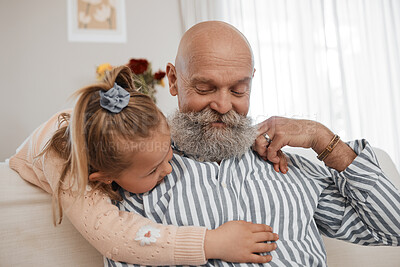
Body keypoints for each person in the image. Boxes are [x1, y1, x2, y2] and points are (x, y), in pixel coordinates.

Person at [106, 21, 400, 267]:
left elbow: (392, 229)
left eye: (238, 90)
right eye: (205, 88)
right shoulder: (139, 172)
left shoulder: (286, 166)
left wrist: (323, 138)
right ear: (173, 80)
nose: (223, 105)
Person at [9, 65, 282, 265]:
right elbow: (116, 238)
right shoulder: (71, 172)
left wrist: (251, 139)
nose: (168, 169)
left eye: (167, 153)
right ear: (104, 178)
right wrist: (212, 242)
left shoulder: (140, 126)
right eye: (152, 170)